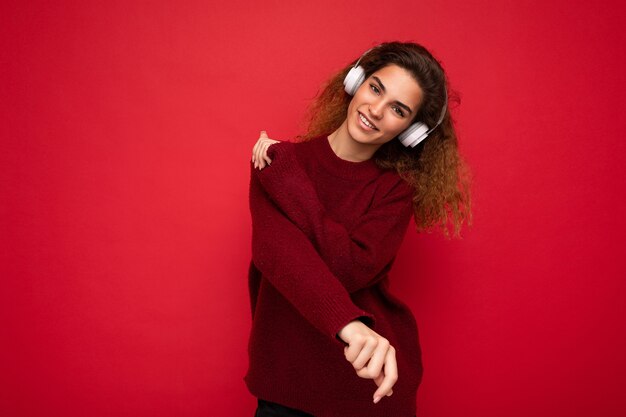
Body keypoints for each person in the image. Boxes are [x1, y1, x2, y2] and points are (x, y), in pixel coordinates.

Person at [245, 41, 472, 417]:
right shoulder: (277, 165)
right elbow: (280, 256)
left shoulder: (394, 189)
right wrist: (348, 326)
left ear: (411, 130)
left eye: (398, 109)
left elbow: (348, 268)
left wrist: (291, 184)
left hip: (369, 387)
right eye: (376, 88)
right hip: (285, 382)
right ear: (355, 81)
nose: (376, 110)